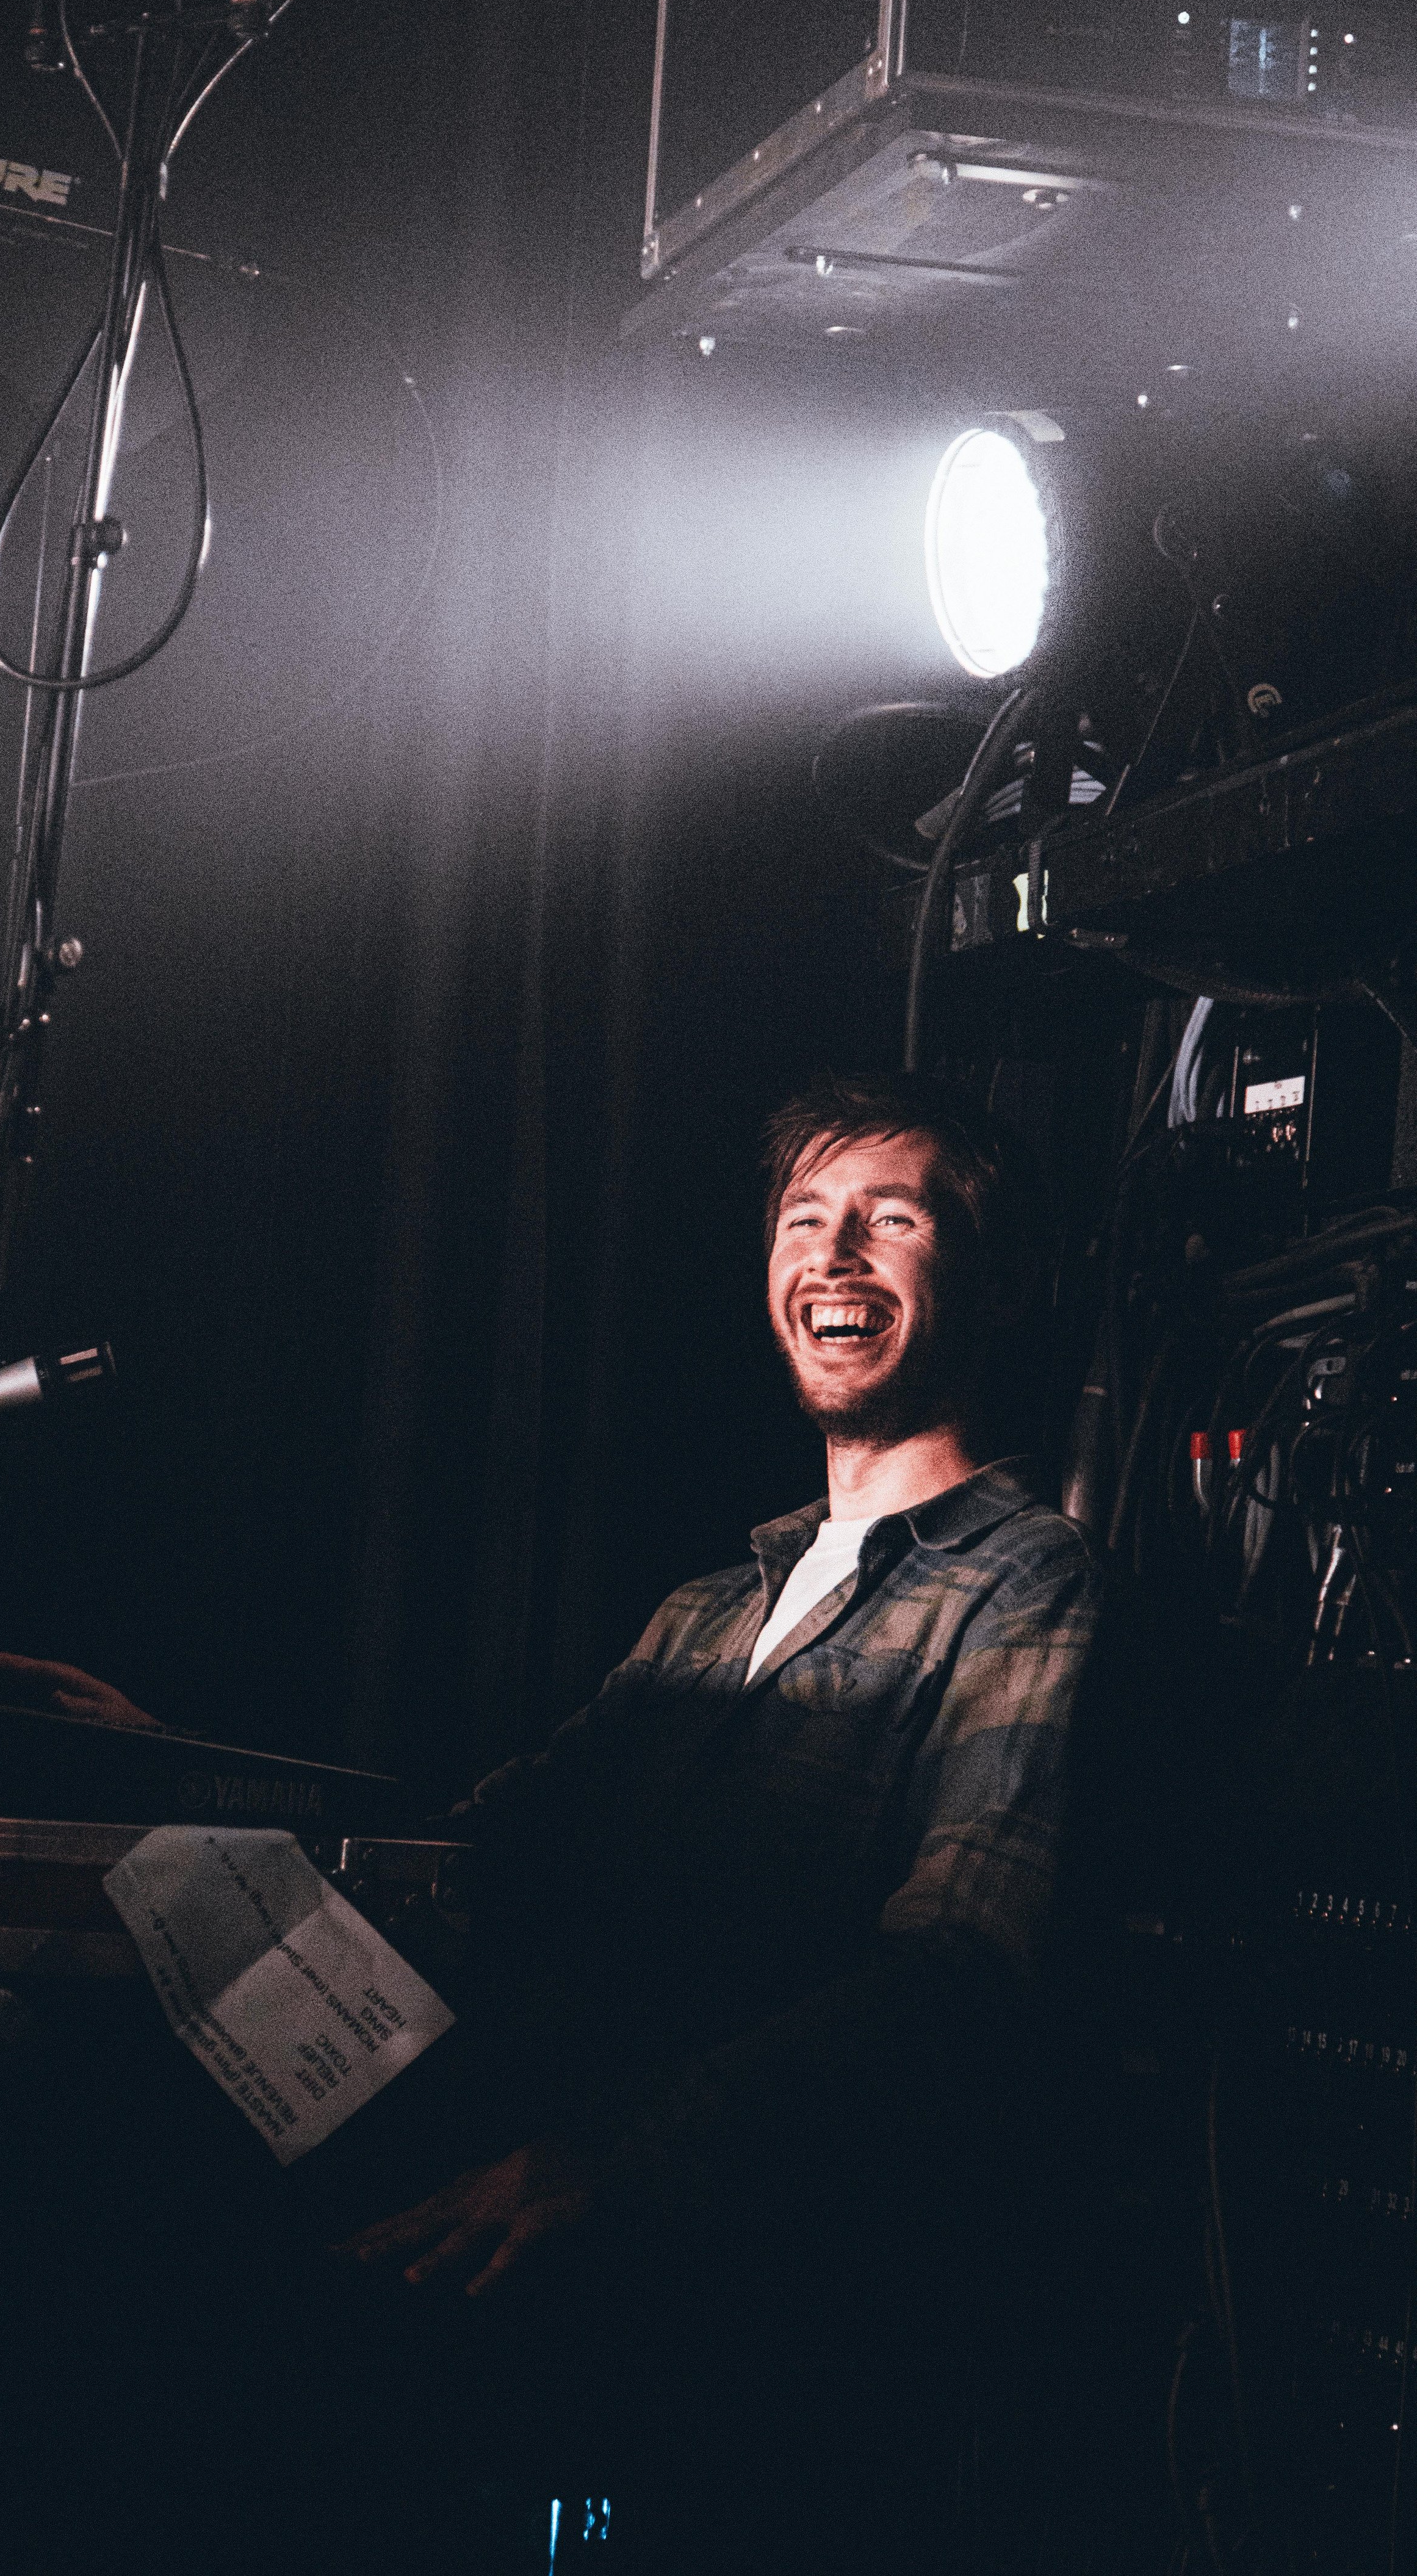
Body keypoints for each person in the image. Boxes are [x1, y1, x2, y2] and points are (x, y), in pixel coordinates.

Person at [318, 1067, 1105, 2569]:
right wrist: (169, 1767)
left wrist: (607, 2156)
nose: (835, 1252)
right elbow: (477, 1849)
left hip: (780, 2351)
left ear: (998, 1283)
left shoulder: (1027, 1582)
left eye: (891, 1220)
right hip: (572, 2303)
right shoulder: (705, 1609)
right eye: (805, 1220)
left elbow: (958, 1966)